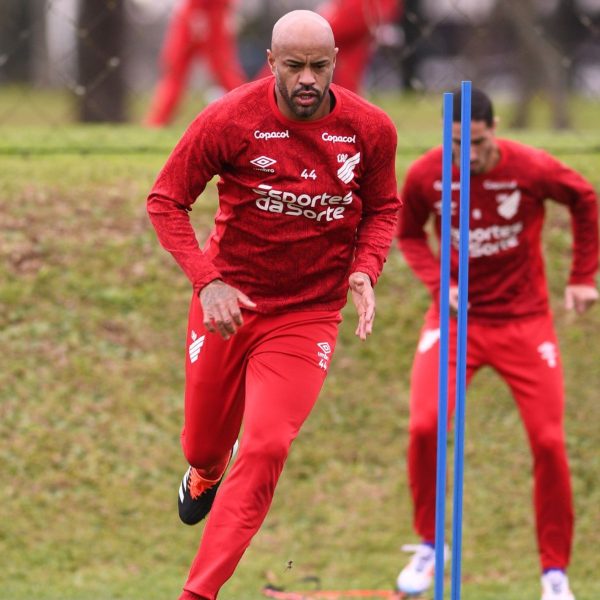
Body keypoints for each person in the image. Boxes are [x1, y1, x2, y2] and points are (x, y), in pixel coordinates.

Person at [147, 10, 400, 600]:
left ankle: (197, 592)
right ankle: (206, 470)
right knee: (205, 444)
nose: (307, 79)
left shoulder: (370, 129)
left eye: (319, 66)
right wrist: (206, 280)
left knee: (265, 446)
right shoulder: (230, 118)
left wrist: (365, 270)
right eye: (294, 66)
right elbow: (165, 200)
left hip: (306, 313)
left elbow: (383, 207)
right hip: (228, 303)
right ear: (271, 64)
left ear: (336, 63)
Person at [396, 88, 598, 600]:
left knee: (549, 443)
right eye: (460, 144)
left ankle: (554, 573)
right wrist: (441, 285)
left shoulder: (529, 168)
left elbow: (585, 199)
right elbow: (409, 234)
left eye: (480, 143)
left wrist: (581, 275)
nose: (472, 156)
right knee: (423, 426)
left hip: (524, 322)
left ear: (495, 128)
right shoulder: (428, 174)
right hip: (456, 323)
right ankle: (428, 545)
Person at [144, 0, 246, 127]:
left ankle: (249, 113)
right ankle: (156, 122)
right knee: (174, 72)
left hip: (213, 15)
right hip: (199, 15)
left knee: (226, 73)